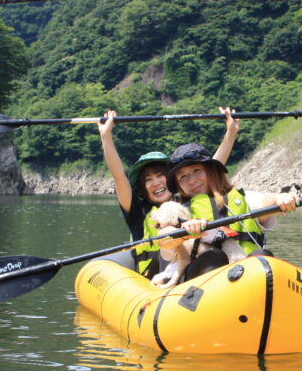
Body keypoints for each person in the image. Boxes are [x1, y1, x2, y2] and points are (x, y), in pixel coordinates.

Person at [98, 108, 240, 278]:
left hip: (188, 268)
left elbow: (212, 167)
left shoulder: (185, 201)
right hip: (155, 272)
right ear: (143, 187)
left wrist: (231, 133)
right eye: (148, 179)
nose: (156, 183)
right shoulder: (139, 210)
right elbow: (119, 176)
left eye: (160, 176)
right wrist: (106, 136)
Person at [159, 142, 298, 279]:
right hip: (198, 281)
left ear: (211, 171)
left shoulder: (240, 198)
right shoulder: (178, 210)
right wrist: (183, 233)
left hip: (245, 277)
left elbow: (265, 202)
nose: (191, 180)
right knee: (213, 257)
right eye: (183, 177)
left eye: (197, 170)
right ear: (178, 184)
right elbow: (165, 243)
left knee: (263, 256)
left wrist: (280, 198)